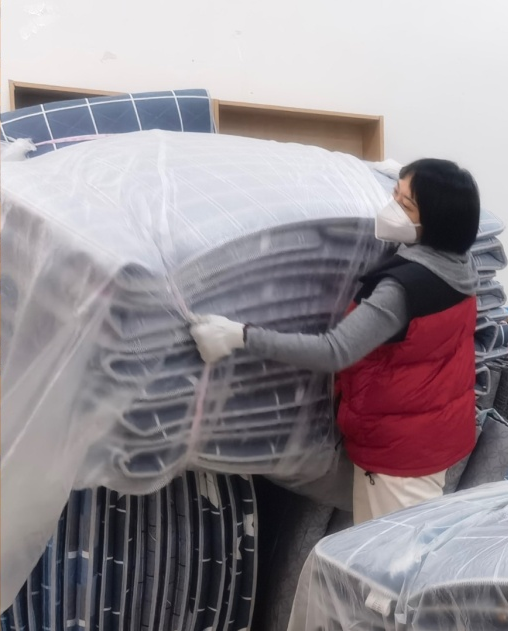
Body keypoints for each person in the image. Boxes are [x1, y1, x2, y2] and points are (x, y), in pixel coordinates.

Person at [189, 159, 480, 524]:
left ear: (436, 222)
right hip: (433, 431)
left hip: (400, 453)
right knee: (391, 546)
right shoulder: (459, 266)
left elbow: (334, 351)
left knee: (389, 555)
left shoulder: (402, 289)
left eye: (405, 204)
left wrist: (241, 336)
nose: (391, 207)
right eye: (394, 193)